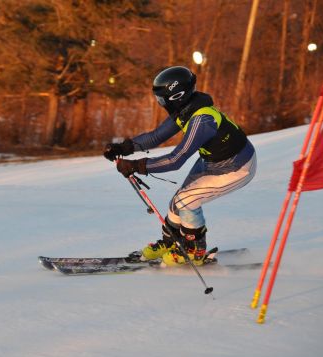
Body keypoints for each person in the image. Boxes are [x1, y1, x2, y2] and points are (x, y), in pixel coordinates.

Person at [103, 66, 257, 266]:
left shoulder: (202, 120)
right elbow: (157, 136)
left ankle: (195, 251)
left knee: (187, 200)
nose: (160, 103)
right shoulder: (185, 110)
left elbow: (177, 159)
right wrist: (124, 147)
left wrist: (136, 166)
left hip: (237, 167)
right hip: (212, 161)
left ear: (177, 96)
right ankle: (172, 242)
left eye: (161, 99)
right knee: (178, 202)